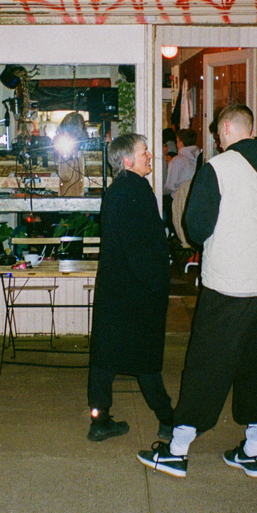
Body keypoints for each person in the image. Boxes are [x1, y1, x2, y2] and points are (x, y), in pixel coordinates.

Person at [137, 103, 257, 479]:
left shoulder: (218, 168)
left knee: (206, 366)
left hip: (229, 286)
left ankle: (177, 451)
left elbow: (197, 228)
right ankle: (252, 450)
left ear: (225, 131)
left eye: (218, 135)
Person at [87, 133, 173, 442]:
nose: (150, 155)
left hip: (116, 290)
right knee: (145, 359)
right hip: (137, 292)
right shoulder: (135, 190)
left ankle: (99, 420)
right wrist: (156, 284)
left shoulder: (117, 191)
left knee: (105, 359)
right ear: (127, 160)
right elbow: (140, 248)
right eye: (143, 151)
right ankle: (168, 419)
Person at [55, 111, 87, 197]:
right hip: (61, 183)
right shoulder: (60, 140)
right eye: (79, 124)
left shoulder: (83, 140)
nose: (80, 127)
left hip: (81, 185)